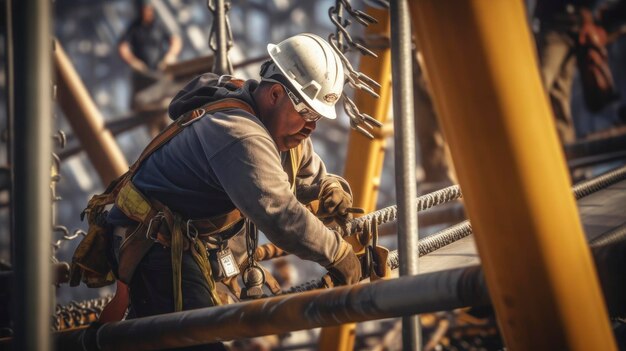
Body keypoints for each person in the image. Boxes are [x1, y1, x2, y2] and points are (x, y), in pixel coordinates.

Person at [74, 33, 361, 350]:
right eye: (307, 113)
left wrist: (331, 190)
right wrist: (339, 254)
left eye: (317, 117)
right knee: (197, 340)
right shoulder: (239, 134)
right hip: (157, 245)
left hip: (190, 244)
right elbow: (280, 214)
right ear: (276, 94)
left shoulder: (282, 130)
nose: (312, 127)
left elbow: (306, 174)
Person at [118, 0, 182, 135]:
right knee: (151, 120)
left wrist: (170, 56)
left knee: (165, 119)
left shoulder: (158, 25)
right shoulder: (134, 27)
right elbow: (122, 47)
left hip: (159, 73)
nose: (147, 12)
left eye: (149, 9)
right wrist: (133, 62)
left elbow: (175, 40)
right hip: (145, 77)